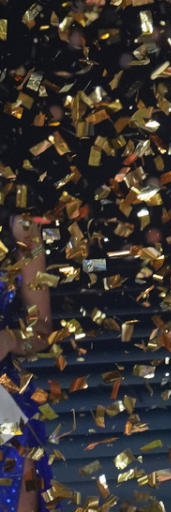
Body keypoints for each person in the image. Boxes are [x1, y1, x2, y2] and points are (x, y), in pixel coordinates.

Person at [0, 210, 59, 512]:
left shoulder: (22, 230)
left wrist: (10, 340)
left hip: (1, 395)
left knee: (21, 464)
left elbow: (42, 332)